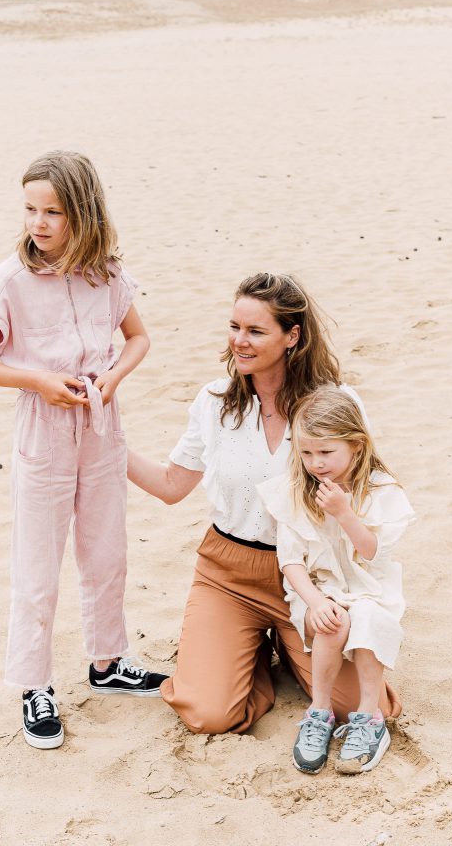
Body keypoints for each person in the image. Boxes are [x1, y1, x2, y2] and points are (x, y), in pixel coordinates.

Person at [127, 272, 402, 735]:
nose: (240, 341)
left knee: (357, 707)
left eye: (255, 331)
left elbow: (366, 492)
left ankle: (287, 644)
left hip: (316, 576)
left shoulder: (335, 403)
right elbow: (173, 485)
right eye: (235, 327)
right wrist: (107, 446)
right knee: (209, 714)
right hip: (228, 572)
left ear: (292, 335)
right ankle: (248, 651)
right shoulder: (214, 402)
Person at [0, 149, 166, 750]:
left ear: (83, 212)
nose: (39, 223)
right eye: (30, 209)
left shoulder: (105, 272)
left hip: (103, 427)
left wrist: (112, 378)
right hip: (42, 432)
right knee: (38, 564)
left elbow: (138, 338)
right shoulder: (8, 280)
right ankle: (34, 685)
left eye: (53, 211)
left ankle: (108, 663)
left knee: (107, 552)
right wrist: (39, 381)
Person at [257, 387, 415, 775]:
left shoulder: (378, 490)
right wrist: (315, 601)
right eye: (307, 453)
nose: (315, 463)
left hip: (369, 585)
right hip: (319, 587)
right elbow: (291, 561)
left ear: (356, 446)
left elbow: (373, 550)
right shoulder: (296, 491)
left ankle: (369, 717)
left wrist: (345, 513)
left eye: (326, 453)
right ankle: (320, 712)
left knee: (369, 618)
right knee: (333, 620)